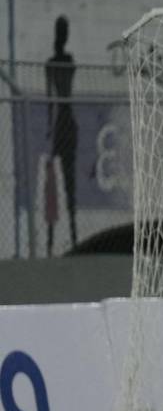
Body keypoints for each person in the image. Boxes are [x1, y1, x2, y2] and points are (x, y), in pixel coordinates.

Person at [44, 15, 78, 255]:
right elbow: (50, 101)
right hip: (60, 124)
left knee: (69, 180)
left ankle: (73, 235)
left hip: (65, 122)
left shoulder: (65, 61)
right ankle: (50, 239)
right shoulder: (55, 62)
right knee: (54, 183)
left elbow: (54, 99)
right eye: (61, 30)